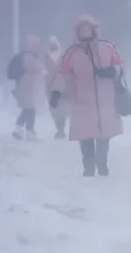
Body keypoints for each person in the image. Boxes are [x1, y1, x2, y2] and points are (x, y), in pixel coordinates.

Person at [49, 15, 123, 177]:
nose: (85, 33)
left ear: (94, 30)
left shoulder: (108, 47)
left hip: (105, 100)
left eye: (88, 29)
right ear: (77, 32)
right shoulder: (72, 53)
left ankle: (102, 163)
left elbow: (119, 66)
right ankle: (88, 166)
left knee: (104, 136)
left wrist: (111, 71)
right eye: (82, 30)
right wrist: (56, 92)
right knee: (86, 137)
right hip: (82, 101)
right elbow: (63, 74)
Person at [11, 35, 44, 140]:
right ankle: (23, 129)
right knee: (30, 109)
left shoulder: (26, 56)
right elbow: (36, 69)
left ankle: (25, 130)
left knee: (29, 109)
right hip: (26, 87)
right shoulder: (28, 56)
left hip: (25, 87)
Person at [44, 36, 69, 140]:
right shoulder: (47, 58)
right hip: (52, 87)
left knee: (59, 109)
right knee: (56, 109)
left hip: (59, 86)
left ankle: (60, 129)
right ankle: (60, 129)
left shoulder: (63, 57)